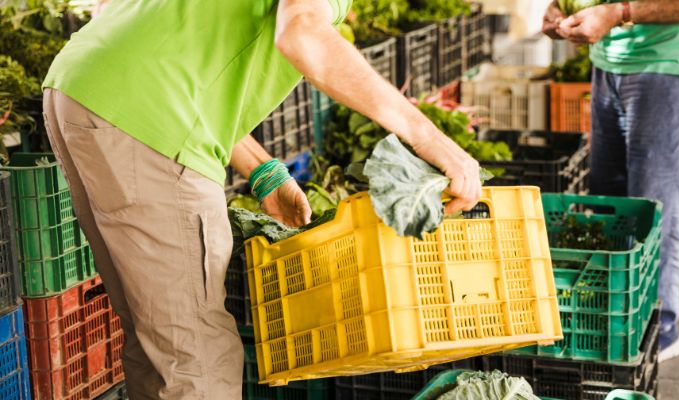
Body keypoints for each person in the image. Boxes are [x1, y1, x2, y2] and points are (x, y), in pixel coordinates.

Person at [41, 0, 483, 398]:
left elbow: (168, 51)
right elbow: (301, 34)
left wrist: (263, 171)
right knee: (196, 353)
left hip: (82, 91)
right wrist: (431, 140)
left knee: (156, 334)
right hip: (145, 118)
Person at [542, 0, 679, 362]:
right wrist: (561, 10)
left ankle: (660, 328)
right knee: (612, 206)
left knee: (656, 208)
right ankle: (618, 323)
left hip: (676, 64)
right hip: (611, 61)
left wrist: (619, 14)